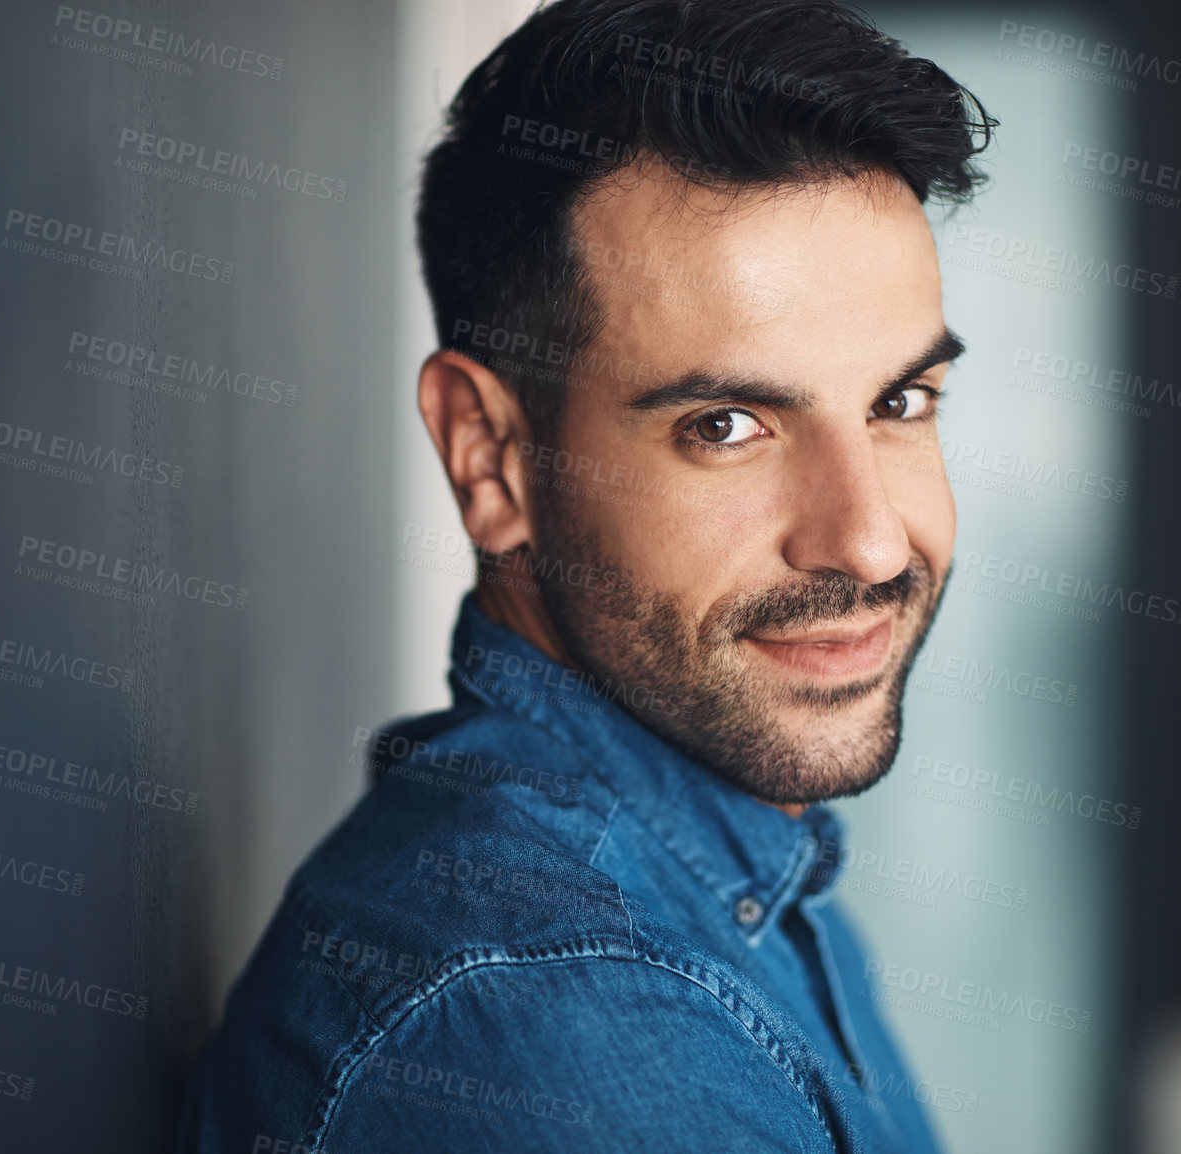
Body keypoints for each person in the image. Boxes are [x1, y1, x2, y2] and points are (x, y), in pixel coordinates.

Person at [178, 1, 993, 1149]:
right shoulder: (557, 1017)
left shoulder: (751, 876)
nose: (867, 542)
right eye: (726, 424)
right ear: (490, 454)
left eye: (898, 403)